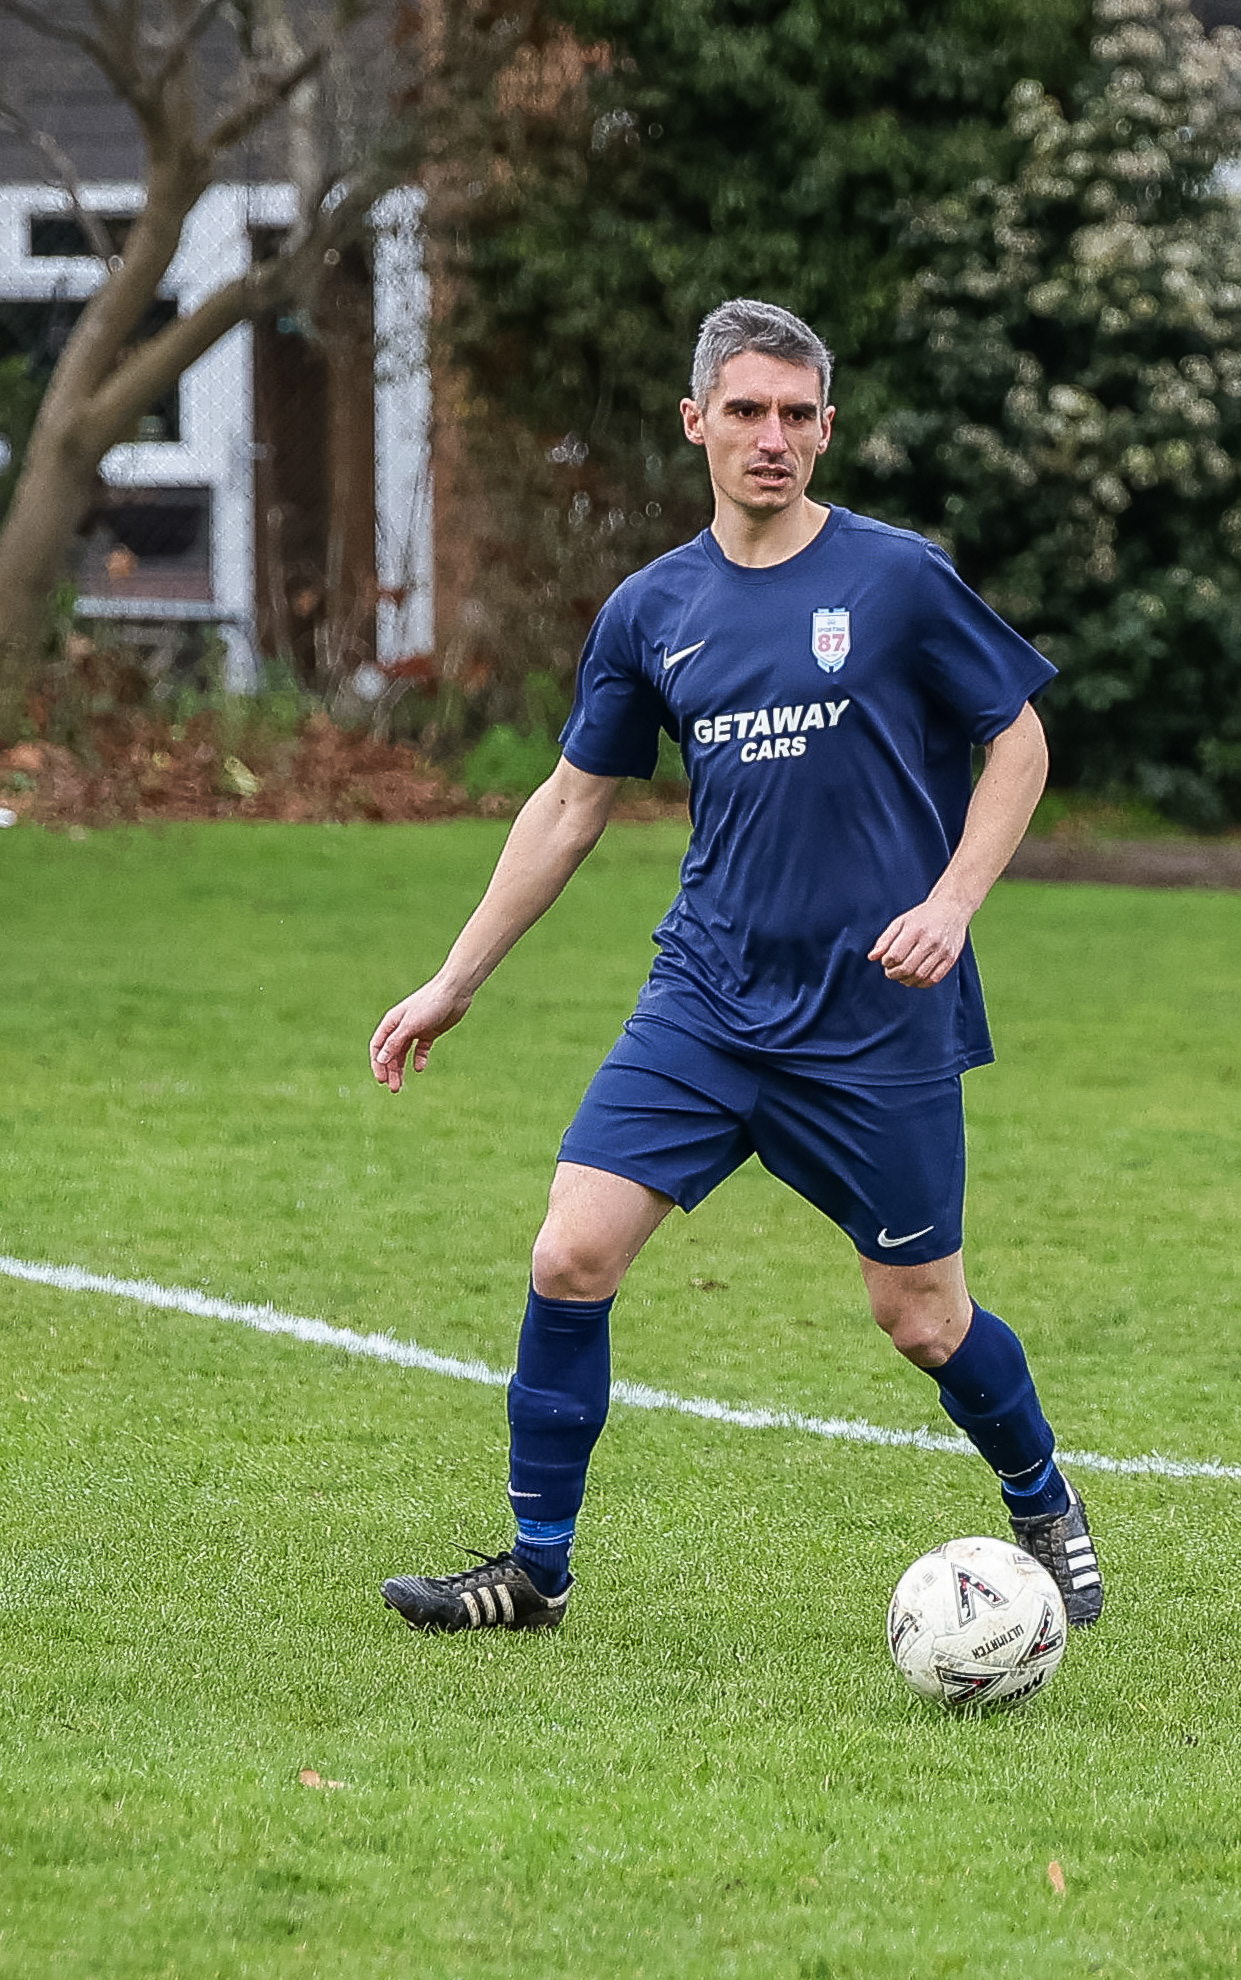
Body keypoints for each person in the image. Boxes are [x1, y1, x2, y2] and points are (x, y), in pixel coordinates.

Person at [371, 298, 1104, 1636]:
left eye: (797, 414)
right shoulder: (652, 609)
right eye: (748, 411)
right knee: (570, 1254)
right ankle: (536, 1571)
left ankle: (1042, 1499)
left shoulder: (897, 579)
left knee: (923, 1318)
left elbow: (1020, 742)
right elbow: (570, 803)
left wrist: (952, 902)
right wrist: (453, 980)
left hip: (877, 1016)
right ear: (697, 421)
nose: (773, 436)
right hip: (705, 1002)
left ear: (826, 431)